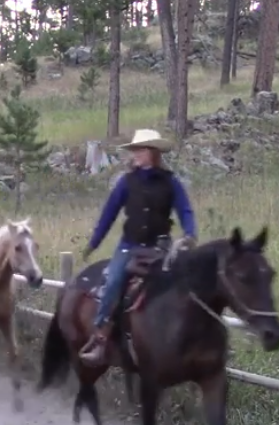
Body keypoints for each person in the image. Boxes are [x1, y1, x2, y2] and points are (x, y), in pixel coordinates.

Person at [78, 129, 197, 366]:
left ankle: (189, 336)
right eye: (134, 150)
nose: (135, 155)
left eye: (139, 150)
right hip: (129, 246)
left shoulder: (170, 182)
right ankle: (100, 336)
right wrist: (94, 243)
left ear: (151, 152)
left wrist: (190, 232)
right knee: (112, 283)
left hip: (160, 246)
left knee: (185, 284)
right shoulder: (126, 182)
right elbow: (108, 214)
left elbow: (185, 209)